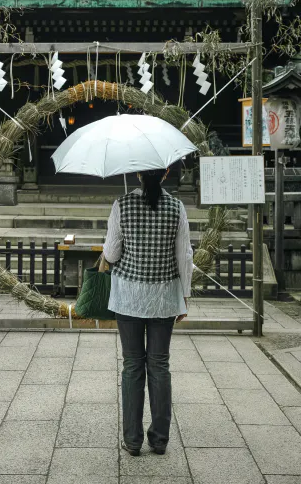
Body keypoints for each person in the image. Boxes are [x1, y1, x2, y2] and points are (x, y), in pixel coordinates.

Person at [103, 168, 193, 457]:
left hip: (129, 297)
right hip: (163, 297)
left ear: (139, 174)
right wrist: (185, 296)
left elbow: (112, 253)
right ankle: (160, 439)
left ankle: (132, 440)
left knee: (132, 366)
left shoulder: (122, 204)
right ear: (165, 174)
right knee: (159, 366)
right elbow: (184, 255)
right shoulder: (176, 206)